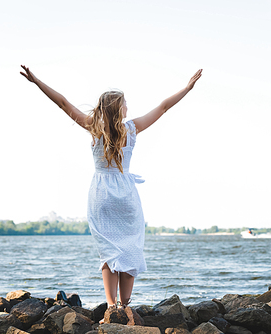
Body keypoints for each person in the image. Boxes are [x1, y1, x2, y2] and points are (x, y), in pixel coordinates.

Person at [20, 65, 202, 311]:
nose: (128, 107)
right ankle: (126, 305)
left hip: (102, 194)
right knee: (129, 249)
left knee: (109, 250)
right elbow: (163, 106)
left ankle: (110, 305)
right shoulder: (132, 129)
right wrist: (187, 88)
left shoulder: (94, 127)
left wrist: (36, 81)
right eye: (125, 103)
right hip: (126, 196)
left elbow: (63, 103)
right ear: (119, 108)